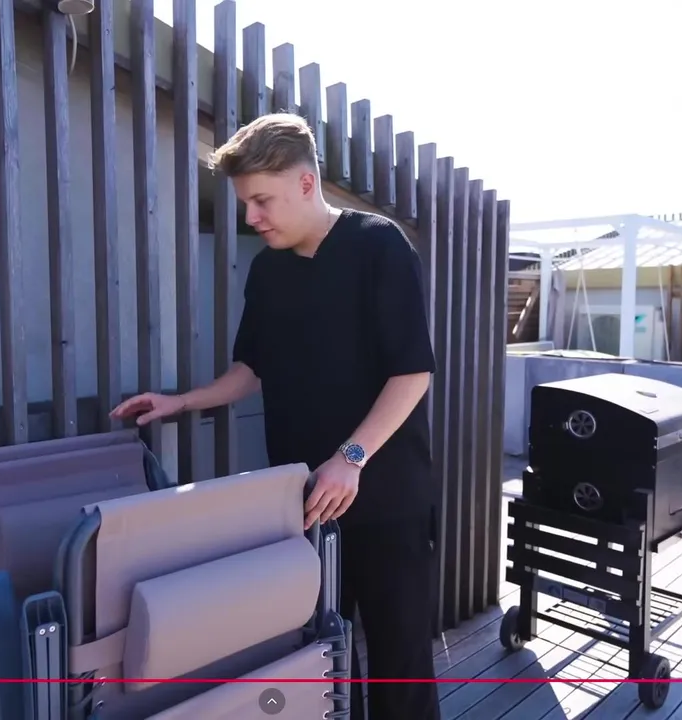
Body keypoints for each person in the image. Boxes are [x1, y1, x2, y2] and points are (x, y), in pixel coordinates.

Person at [110, 113, 441, 720]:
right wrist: (181, 402)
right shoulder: (268, 270)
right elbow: (251, 369)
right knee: (320, 658)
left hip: (387, 499)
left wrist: (350, 458)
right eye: (245, 203)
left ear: (306, 183)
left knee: (400, 664)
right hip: (301, 503)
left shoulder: (379, 245)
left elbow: (412, 372)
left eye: (261, 200)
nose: (251, 217)